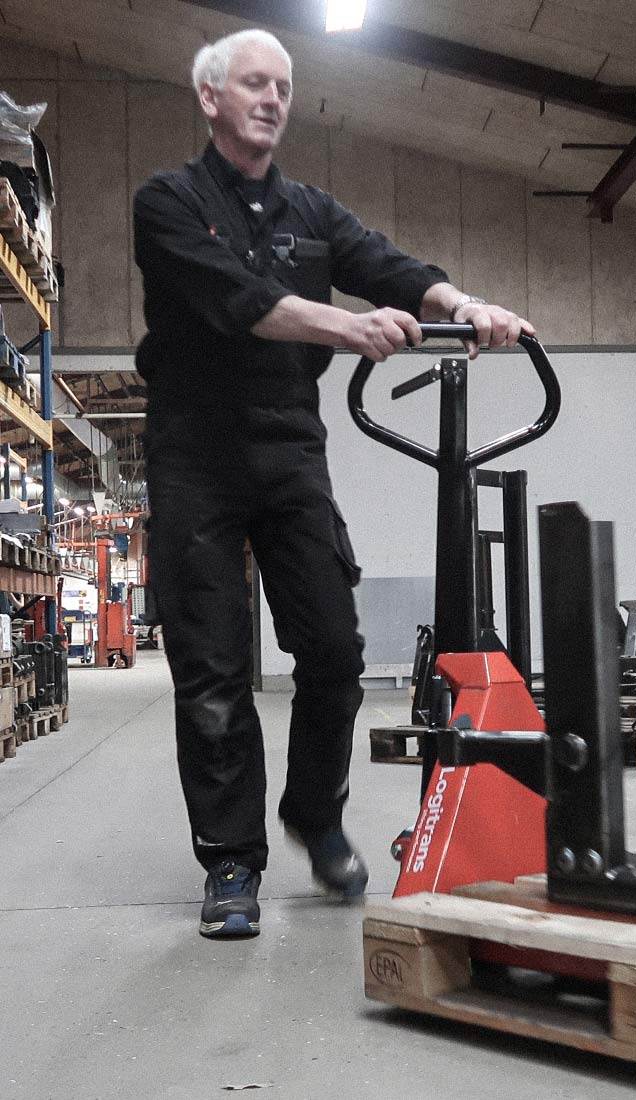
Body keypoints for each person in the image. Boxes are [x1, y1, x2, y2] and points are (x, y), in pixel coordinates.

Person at [133, 28, 534, 939]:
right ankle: (232, 861)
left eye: (283, 86)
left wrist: (462, 305)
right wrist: (347, 329)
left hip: (288, 447)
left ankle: (316, 816)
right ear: (210, 97)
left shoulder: (309, 210)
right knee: (212, 669)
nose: (273, 99)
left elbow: (382, 264)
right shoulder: (167, 203)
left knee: (335, 652)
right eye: (254, 84)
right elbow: (237, 300)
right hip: (194, 451)